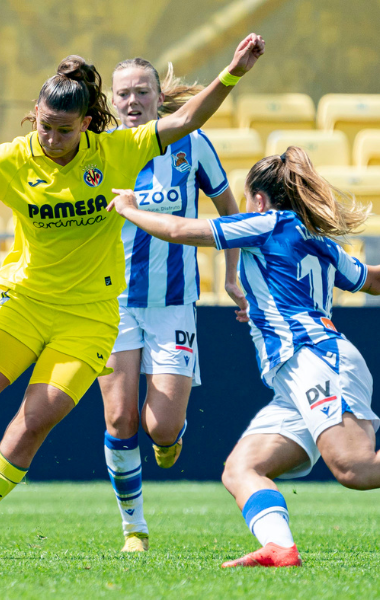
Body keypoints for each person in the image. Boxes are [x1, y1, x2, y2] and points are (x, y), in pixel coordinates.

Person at [0, 34, 266, 558]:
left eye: (63, 130)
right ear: (35, 115)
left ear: (88, 125)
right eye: (44, 126)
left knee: (30, 425)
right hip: (24, 305)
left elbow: (186, 122)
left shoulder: (116, 151)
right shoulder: (14, 160)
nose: (51, 138)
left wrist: (232, 72)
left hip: (90, 321)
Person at [106, 146, 380, 568]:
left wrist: (129, 208)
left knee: (355, 467)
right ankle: (280, 548)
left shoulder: (265, 223)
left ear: (258, 199)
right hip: (296, 376)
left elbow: (180, 231)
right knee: (241, 468)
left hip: (316, 360)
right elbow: (375, 280)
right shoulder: (317, 240)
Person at [99, 58, 246, 552]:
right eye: (123, 93)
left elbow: (230, 214)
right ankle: (134, 529)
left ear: (161, 99)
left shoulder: (193, 145)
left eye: (142, 91)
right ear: (112, 101)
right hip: (110, 303)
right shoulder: (97, 151)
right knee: (119, 421)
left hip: (174, 303)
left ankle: (168, 439)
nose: (132, 101)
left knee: (159, 428)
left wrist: (232, 274)